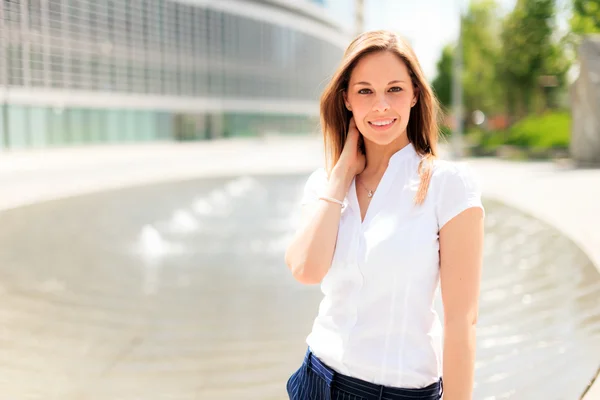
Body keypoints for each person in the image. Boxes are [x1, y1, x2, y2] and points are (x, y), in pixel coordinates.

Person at [284, 30, 485, 400]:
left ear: (414, 95)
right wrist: (342, 175)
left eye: (394, 89)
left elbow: (462, 321)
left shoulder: (447, 185)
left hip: (398, 392)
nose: (380, 106)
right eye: (365, 91)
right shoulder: (326, 183)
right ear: (346, 99)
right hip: (315, 380)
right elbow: (305, 270)